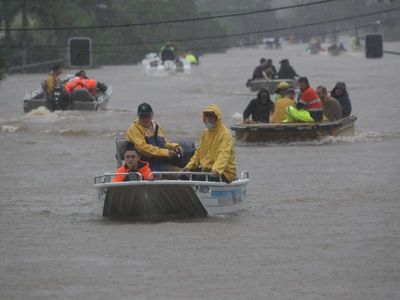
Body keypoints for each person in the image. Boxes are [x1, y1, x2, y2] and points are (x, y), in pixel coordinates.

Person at [183, 104, 236, 183]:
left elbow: (223, 154)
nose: (208, 120)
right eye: (206, 117)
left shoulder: (225, 134)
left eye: (211, 117)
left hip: (225, 172)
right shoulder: (206, 133)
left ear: (217, 118)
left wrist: (216, 169)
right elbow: (198, 153)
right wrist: (188, 166)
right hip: (208, 170)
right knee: (183, 176)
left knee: (199, 179)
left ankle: (197, 194)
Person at [125, 102, 183, 171]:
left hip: (160, 161)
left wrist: (175, 146)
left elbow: (163, 144)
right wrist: (166, 152)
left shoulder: (157, 127)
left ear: (152, 115)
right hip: (144, 164)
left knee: (183, 170)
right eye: (142, 116)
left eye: (147, 116)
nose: (145, 119)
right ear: (138, 116)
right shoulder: (134, 129)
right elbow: (143, 148)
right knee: (178, 173)